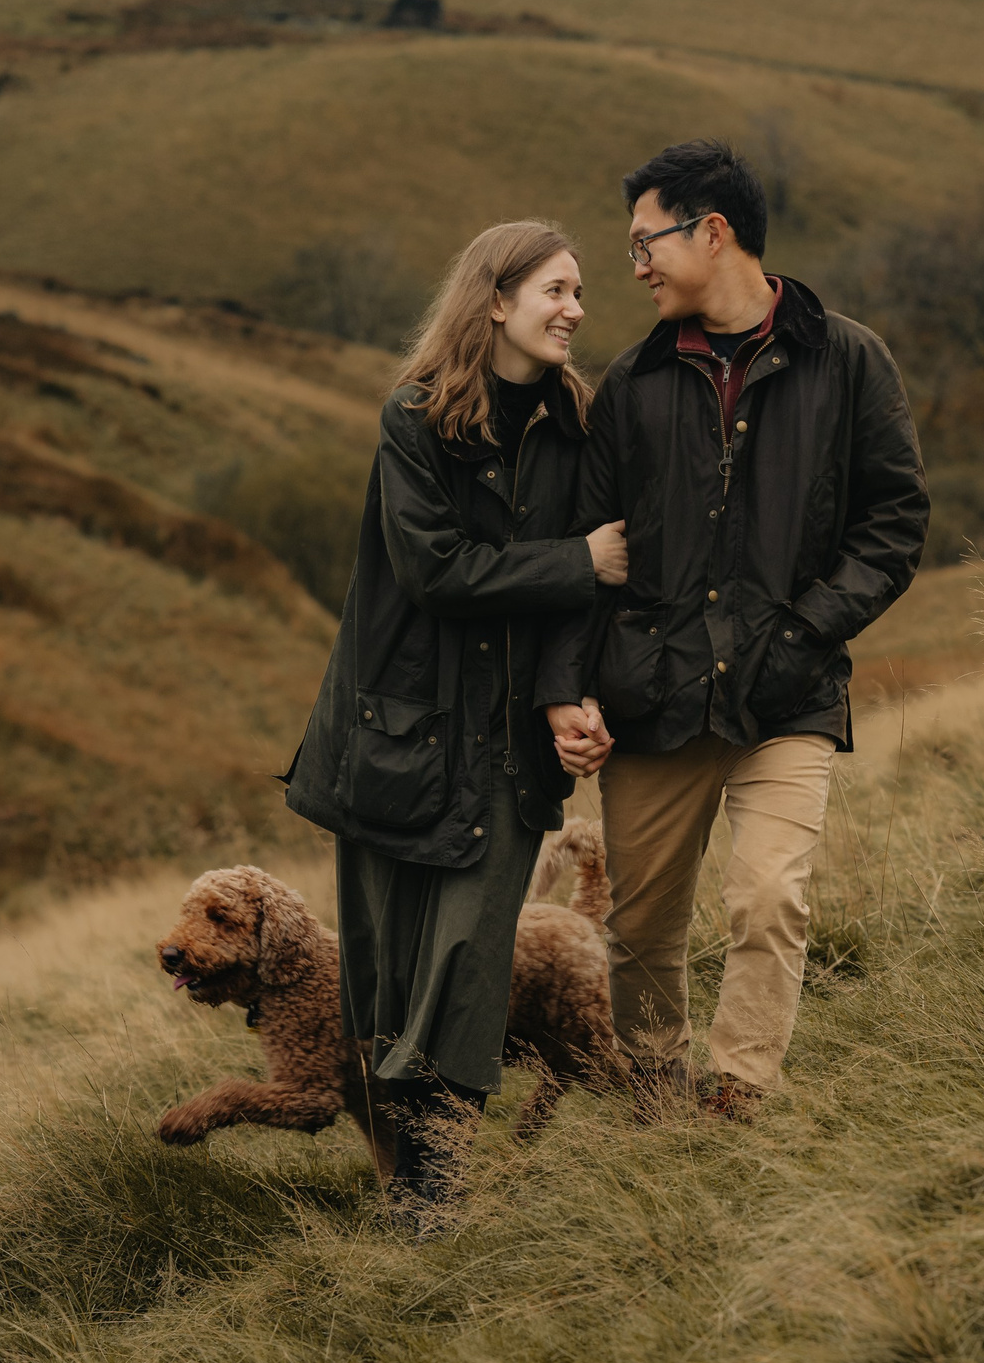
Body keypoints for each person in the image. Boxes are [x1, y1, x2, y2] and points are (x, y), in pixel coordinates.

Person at [539, 139, 928, 1122]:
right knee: (639, 935)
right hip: (653, 698)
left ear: (712, 233)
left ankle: (738, 1093)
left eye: (645, 243)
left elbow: (892, 527)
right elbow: (587, 554)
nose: (633, 269)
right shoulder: (629, 387)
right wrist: (572, 689)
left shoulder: (848, 360)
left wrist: (802, 637)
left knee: (767, 899)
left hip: (786, 696)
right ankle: (656, 1107)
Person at [284, 220, 627, 1206]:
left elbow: (586, 596)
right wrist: (577, 559)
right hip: (399, 743)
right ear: (495, 301)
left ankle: (432, 1195)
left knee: (469, 971)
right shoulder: (415, 420)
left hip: (508, 748)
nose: (574, 309)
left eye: (577, 294)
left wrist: (570, 695)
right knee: (387, 978)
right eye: (555, 291)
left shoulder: (578, 427)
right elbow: (433, 570)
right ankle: (404, 1182)